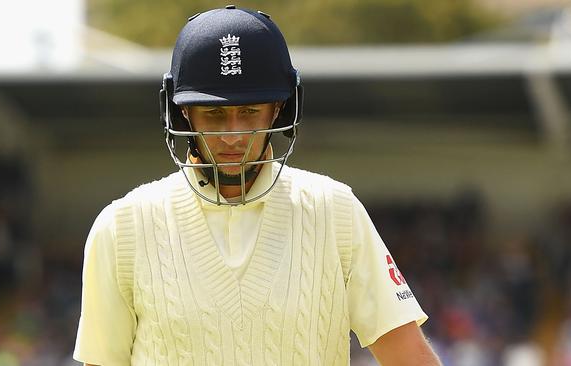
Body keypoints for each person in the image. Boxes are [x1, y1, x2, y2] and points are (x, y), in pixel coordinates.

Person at [73, 5, 440, 366]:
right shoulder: (122, 227)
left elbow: (410, 359)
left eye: (249, 112)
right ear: (181, 111)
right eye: (214, 114)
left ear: (280, 107)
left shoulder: (335, 210)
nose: (232, 135)